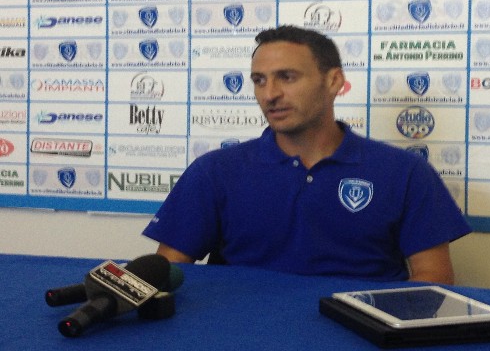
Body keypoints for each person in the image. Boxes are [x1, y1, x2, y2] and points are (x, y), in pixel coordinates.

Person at [142, 25, 471, 284]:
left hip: (358, 334)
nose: (270, 94)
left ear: (334, 81)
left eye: (287, 77)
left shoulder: (405, 172)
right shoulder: (215, 171)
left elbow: (434, 279)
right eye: (259, 80)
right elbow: (164, 274)